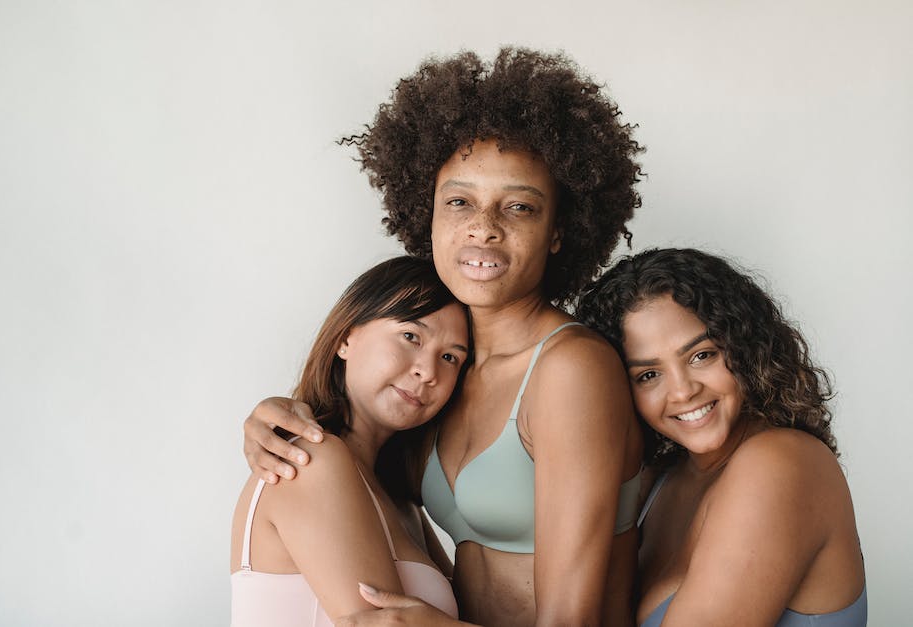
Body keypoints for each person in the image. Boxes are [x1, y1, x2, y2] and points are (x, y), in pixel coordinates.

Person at [242, 47, 645, 626]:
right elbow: (353, 480)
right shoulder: (446, 372)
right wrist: (276, 415)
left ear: (558, 232)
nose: (484, 225)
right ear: (427, 214)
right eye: (459, 201)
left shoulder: (569, 368)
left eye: (520, 208)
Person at [576, 248, 867, 626]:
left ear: (744, 345)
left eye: (701, 355)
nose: (682, 392)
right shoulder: (660, 479)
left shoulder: (782, 463)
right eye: (648, 375)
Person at [230, 256, 469, 626]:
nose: (428, 371)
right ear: (345, 338)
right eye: (410, 336)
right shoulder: (310, 459)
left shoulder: (404, 503)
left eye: (450, 357)